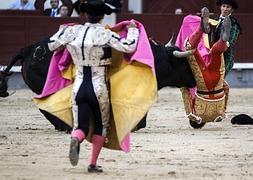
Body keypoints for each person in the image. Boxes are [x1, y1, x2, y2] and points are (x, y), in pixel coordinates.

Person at [48, 0, 139, 173]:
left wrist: (63, 30)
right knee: (100, 126)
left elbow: (52, 45)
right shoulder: (105, 34)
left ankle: (76, 138)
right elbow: (129, 47)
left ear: (85, 15)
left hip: (78, 87)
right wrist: (133, 29)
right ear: (103, 16)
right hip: (99, 88)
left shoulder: (73, 31)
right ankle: (92, 164)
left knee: (80, 126)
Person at [180, 7, 231, 125]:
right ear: (195, 119)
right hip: (204, 84)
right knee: (191, 49)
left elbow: (227, 88)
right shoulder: (193, 113)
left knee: (217, 52)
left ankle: (222, 41)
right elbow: (185, 91)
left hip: (217, 84)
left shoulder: (219, 114)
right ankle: (201, 29)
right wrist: (184, 82)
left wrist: (224, 111)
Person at [211, 0, 241, 76]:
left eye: (228, 7)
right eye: (223, 6)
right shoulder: (215, 20)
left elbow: (231, 42)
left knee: (219, 80)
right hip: (212, 54)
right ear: (220, 7)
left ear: (232, 10)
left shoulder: (234, 24)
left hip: (225, 56)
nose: (225, 9)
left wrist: (221, 47)